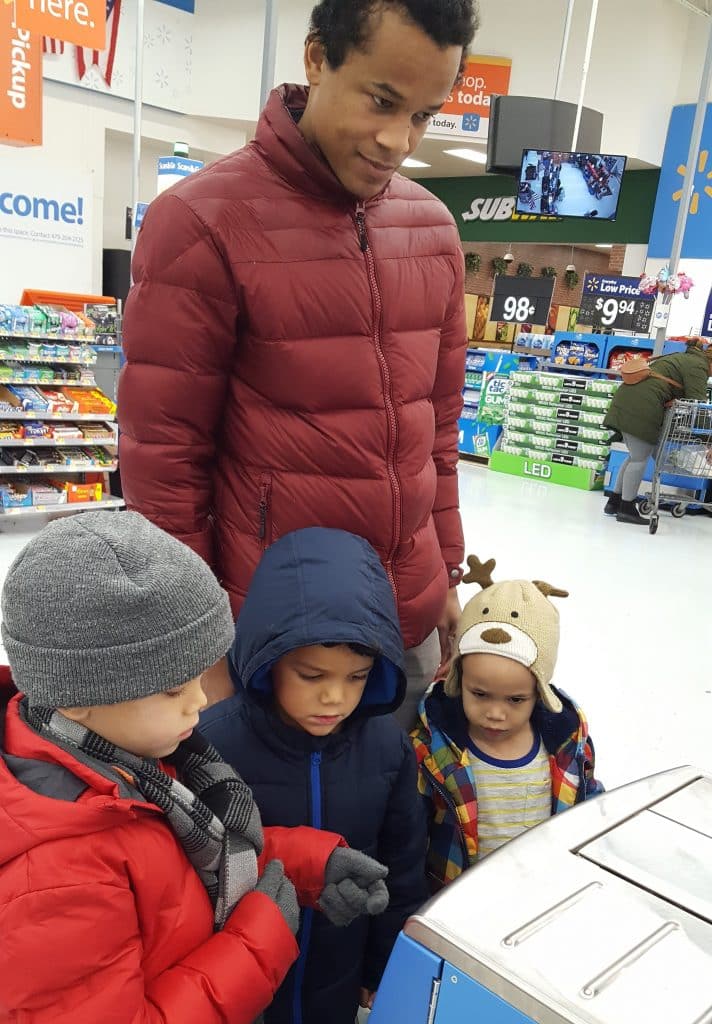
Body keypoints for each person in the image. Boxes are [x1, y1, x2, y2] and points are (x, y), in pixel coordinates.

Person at [118, 0, 482, 729]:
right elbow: (165, 463)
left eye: (422, 115)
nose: (396, 140)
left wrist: (445, 566)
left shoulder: (433, 229)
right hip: (271, 631)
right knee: (274, 839)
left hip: (401, 616)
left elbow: (436, 431)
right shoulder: (201, 221)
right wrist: (199, 643)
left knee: (394, 824)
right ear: (317, 59)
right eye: (381, 100)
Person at [0, 512, 390, 1023]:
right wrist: (258, 941)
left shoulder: (133, 766)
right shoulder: (57, 878)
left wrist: (307, 866)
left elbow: (184, 868)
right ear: (76, 696)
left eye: (200, 676)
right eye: (173, 689)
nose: (200, 701)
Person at [200, 527, 428, 1024]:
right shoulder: (213, 744)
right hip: (238, 986)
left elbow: (403, 869)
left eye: (357, 677)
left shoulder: (388, 748)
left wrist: (386, 963)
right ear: (267, 658)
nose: (336, 699)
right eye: (312, 675)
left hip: (339, 976)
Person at [410, 555, 602, 892]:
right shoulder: (432, 749)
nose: (496, 713)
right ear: (458, 678)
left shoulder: (566, 743)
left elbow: (588, 799)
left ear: (539, 692)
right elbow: (412, 828)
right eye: (480, 694)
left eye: (516, 700)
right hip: (457, 901)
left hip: (540, 893)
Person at [603, 339, 712, 525]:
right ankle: (626, 508)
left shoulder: (682, 358)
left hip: (629, 401)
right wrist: (708, 440)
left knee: (634, 456)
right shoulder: (698, 366)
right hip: (642, 406)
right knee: (639, 458)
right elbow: (698, 406)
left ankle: (614, 502)